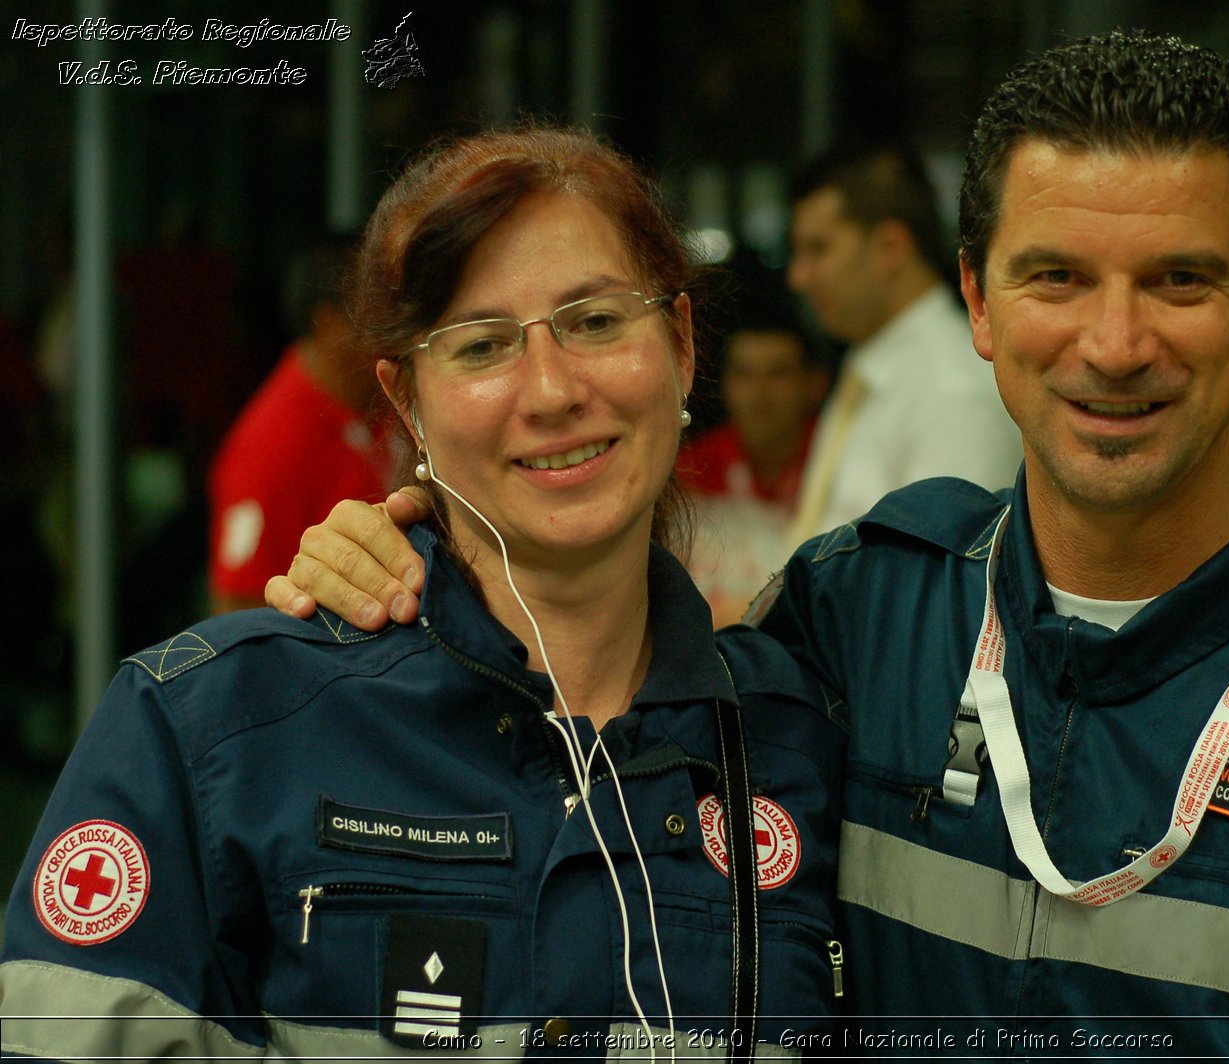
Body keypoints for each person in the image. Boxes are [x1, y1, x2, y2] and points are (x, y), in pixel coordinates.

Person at [264, 33, 1229, 1059]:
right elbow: (595, 748)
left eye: (1181, 282)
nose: (1116, 343)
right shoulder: (856, 620)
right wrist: (430, 553)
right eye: (1055, 276)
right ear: (974, 299)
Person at [0, 124, 846, 1060]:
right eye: (481, 346)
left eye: (598, 321)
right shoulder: (212, 730)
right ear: (407, 404)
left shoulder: (804, 738)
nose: (553, 389)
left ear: (681, 345)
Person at [784, 145, 1020, 542]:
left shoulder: (953, 391)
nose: (799, 277)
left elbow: (941, 591)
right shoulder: (871, 365)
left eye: (819, 248)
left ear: (890, 247)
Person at [208, 240, 399, 612]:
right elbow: (238, 603)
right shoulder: (269, 446)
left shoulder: (379, 398)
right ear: (329, 324)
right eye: (379, 314)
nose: (394, 330)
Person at [678, 313, 829, 626]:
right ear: (725, 386)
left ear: (814, 384)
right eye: (744, 375)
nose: (759, 392)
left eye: (777, 374)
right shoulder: (691, 470)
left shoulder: (841, 461)